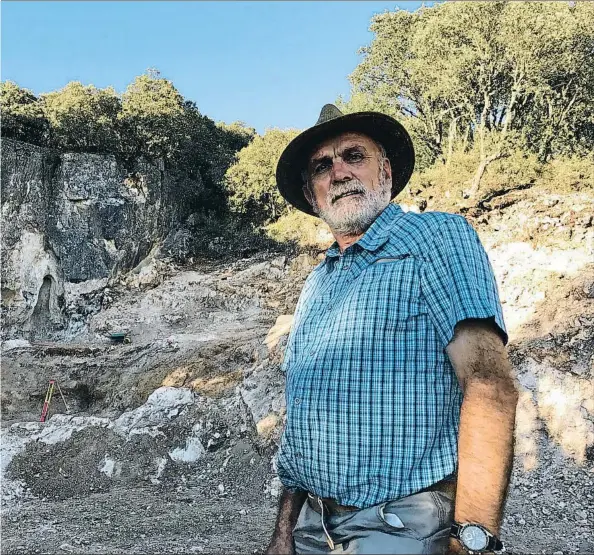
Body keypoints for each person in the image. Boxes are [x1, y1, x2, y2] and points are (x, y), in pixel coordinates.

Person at [265, 105, 518, 555]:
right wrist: (283, 534)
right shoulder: (318, 282)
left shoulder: (435, 238)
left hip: (400, 525)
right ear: (311, 193)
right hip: (313, 528)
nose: (339, 172)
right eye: (323, 166)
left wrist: (473, 538)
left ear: (385, 170)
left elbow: (488, 383)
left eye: (353, 156)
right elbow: (300, 424)